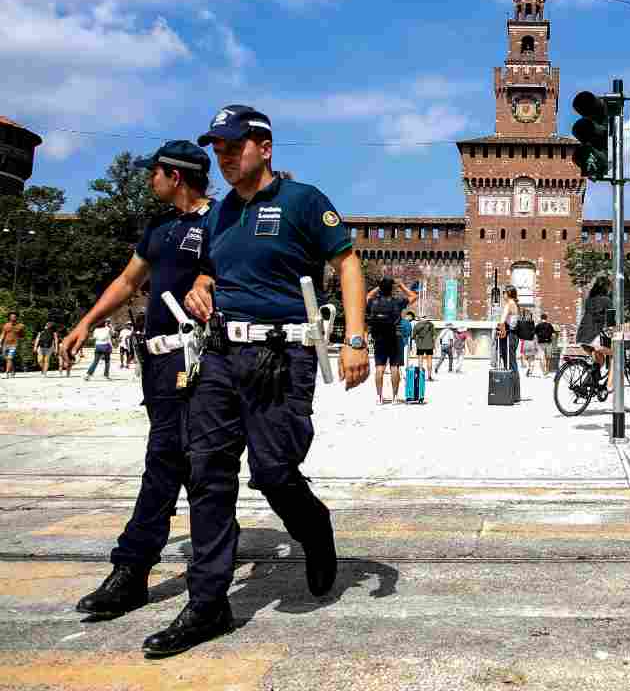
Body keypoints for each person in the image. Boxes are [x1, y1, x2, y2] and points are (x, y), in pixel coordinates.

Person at [164, 104, 369, 658]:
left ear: (266, 147)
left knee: (275, 470)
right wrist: (199, 287)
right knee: (206, 472)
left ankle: (313, 525)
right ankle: (207, 603)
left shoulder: (303, 202)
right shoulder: (218, 214)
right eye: (218, 149)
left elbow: (348, 263)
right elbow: (211, 269)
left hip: (281, 357)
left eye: (234, 146)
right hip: (222, 356)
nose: (224, 157)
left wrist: (354, 338)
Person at [60, 140, 212, 624]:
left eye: (156, 172)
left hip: (203, 359)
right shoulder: (160, 227)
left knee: (180, 461)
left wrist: (207, 280)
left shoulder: (221, 221)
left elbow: (242, 272)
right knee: (173, 460)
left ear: (177, 176)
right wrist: (86, 321)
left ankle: (136, 569)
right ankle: (166, 569)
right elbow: (128, 282)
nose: (151, 179)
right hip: (158, 366)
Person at [365, 278, 417, 404]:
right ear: (392, 289)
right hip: (395, 336)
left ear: (381, 288)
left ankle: (379, 397)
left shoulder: (373, 301)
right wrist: (401, 285)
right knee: (394, 367)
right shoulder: (398, 301)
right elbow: (413, 296)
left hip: (379, 337)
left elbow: (368, 296)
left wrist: (379, 286)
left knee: (379, 367)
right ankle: (394, 397)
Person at [575, 277, 613, 391]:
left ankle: (585, 386)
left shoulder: (589, 299)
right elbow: (611, 322)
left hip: (582, 336)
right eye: (610, 287)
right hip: (593, 336)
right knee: (616, 356)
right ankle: (609, 386)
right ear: (605, 288)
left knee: (599, 360)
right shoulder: (606, 300)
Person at [497, 286, 521, 372]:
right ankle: (514, 383)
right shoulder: (516, 304)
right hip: (514, 335)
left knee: (508, 360)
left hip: (509, 335)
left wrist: (501, 331)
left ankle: (510, 382)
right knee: (512, 360)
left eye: (504, 292)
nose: (503, 294)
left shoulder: (509, 304)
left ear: (509, 293)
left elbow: (502, 320)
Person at [411, 314, 437, 378]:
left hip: (420, 345)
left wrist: (416, 339)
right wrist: (434, 344)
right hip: (429, 345)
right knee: (429, 360)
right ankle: (429, 375)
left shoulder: (417, 325)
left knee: (420, 359)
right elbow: (434, 336)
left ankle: (420, 375)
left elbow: (413, 336)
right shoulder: (431, 325)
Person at [515, 309, 537, 377]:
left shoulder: (520, 322)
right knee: (532, 357)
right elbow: (534, 332)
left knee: (524, 356)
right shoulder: (532, 322)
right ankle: (530, 368)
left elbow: (517, 331)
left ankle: (526, 365)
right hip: (532, 342)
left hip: (524, 341)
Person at [2, 312, 24, 378]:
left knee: (10, 358)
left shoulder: (21, 326)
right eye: (11, 316)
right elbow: (3, 334)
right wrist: (0, 342)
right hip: (5, 344)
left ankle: (7, 373)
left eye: (14, 316)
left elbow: (22, 335)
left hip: (14, 344)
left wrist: (19, 335)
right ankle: (13, 370)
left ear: (16, 318)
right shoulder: (6, 325)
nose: (13, 318)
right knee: (7, 359)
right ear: (9, 317)